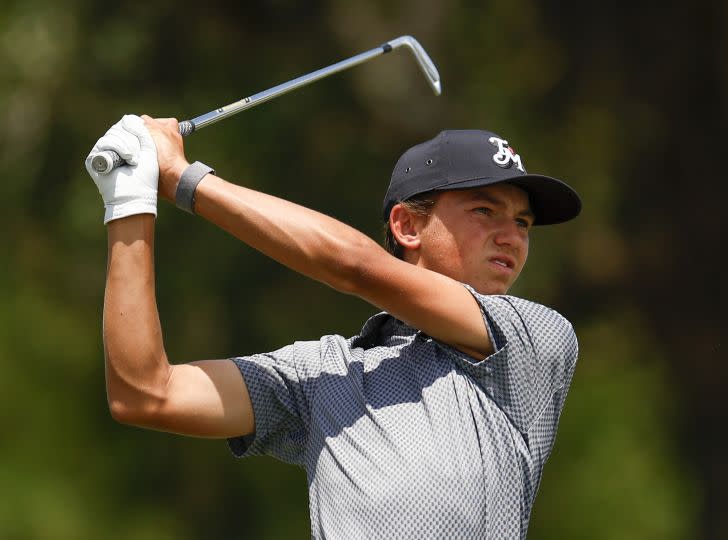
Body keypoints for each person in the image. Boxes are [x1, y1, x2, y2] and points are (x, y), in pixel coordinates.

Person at [85, 114, 582, 539]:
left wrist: (183, 178)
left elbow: (352, 266)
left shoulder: (533, 338)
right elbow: (147, 393)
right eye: (484, 210)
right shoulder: (326, 373)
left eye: (522, 221)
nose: (510, 236)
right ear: (408, 227)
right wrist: (130, 203)